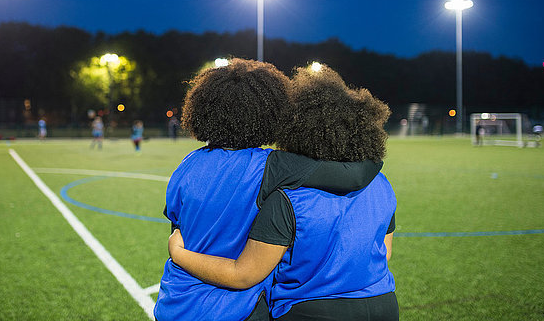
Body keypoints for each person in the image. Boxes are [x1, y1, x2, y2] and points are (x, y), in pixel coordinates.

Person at [154, 59, 383, 321]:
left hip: (175, 301)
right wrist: (371, 148)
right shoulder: (271, 165)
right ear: (269, 113)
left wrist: (181, 254)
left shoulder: (187, 164)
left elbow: (176, 226)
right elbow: (353, 177)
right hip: (236, 309)